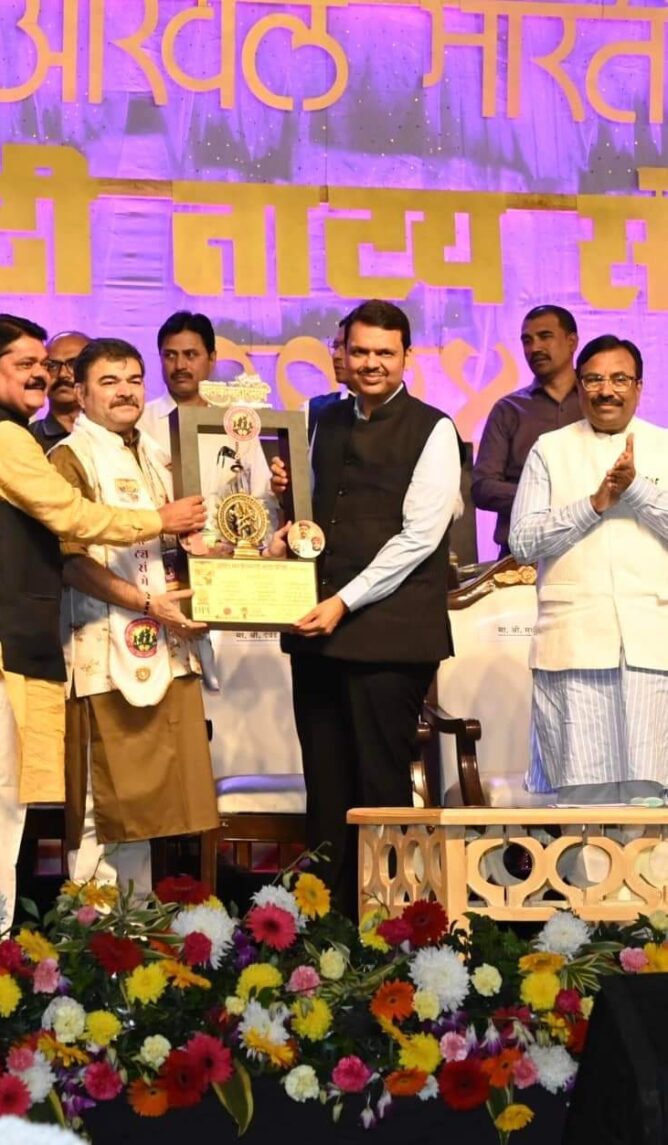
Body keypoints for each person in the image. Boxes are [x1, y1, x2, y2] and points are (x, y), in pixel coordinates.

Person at [0, 315, 205, 926]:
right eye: (24, 364)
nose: (41, 374)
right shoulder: (0, 436)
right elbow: (71, 516)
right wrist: (159, 521)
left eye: (44, 364)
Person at [277, 299, 462, 917]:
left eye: (385, 352)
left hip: (390, 636)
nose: (372, 363)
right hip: (316, 631)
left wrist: (343, 601)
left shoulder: (434, 429)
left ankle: (390, 926)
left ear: (407, 356)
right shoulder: (318, 417)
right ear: (342, 353)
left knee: (380, 785)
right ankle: (323, 925)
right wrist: (285, 504)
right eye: (360, 351)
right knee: (325, 784)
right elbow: (310, 519)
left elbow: (419, 538)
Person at [49, 338, 219, 892]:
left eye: (134, 380)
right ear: (79, 392)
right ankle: (89, 931)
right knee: (101, 802)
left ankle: (134, 925)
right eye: (109, 382)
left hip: (164, 644)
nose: (125, 392)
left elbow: (179, 545)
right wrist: (148, 604)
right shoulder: (69, 458)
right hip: (101, 648)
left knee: (145, 809)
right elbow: (70, 561)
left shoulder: (158, 454)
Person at [509, 334, 668, 805]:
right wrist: (594, 505)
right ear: (579, 386)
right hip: (573, 647)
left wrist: (636, 491)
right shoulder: (549, 450)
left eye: (620, 379)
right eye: (594, 379)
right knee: (584, 803)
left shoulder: (664, 446)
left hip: (654, 648)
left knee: (653, 799)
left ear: (639, 387)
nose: (606, 391)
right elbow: (523, 543)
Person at [138, 310, 278, 537]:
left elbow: (261, 495)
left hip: (226, 551)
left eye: (190, 355)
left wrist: (264, 548)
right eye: (170, 355)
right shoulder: (140, 422)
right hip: (156, 549)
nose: (180, 365)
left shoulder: (236, 423)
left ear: (212, 359)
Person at [472, 305, 581, 556]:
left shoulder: (597, 403)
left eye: (545, 336)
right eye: (527, 340)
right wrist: (544, 496)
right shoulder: (509, 409)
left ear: (572, 342)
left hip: (588, 548)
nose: (535, 348)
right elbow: (483, 487)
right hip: (520, 558)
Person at [30, 330, 88, 452]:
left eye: (73, 364)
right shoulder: (28, 439)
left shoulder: (112, 435)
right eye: (52, 366)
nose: (62, 374)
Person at [307, 316, 353, 440]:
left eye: (346, 347)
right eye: (335, 346)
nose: (336, 356)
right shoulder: (313, 410)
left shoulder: (402, 414)